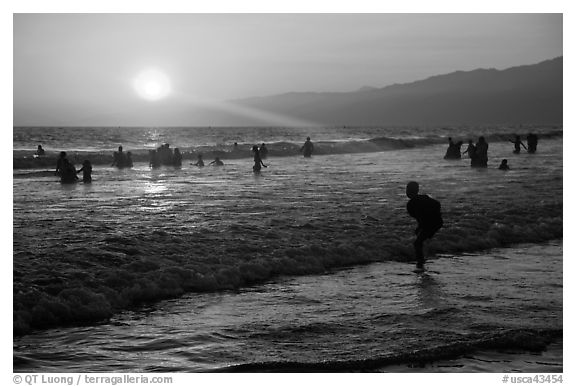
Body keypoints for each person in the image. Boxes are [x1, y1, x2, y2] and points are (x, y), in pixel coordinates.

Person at [405, 181, 443, 271]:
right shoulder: (421, 199)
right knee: (420, 240)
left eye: (407, 190)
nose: (406, 192)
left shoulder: (413, 203)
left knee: (417, 243)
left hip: (432, 223)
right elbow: (437, 204)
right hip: (435, 222)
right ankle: (423, 258)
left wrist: (430, 217)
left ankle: (420, 263)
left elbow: (421, 215)